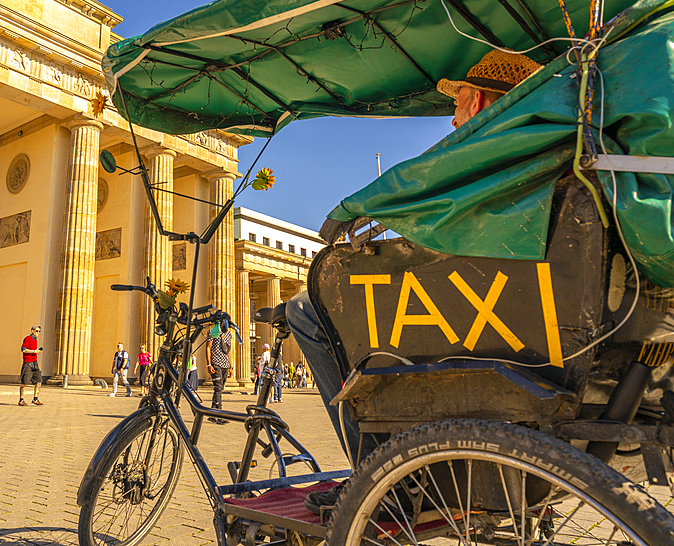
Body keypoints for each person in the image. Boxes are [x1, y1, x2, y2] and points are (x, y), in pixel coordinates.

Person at [293, 49, 541, 516]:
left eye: (459, 102)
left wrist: (352, 210)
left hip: (477, 310)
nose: (452, 120)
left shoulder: (486, 143)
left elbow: (416, 185)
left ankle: (377, 476)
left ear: (482, 101)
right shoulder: (543, 142)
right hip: (520, 303)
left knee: (306, 310)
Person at [206, 325, 233, 424]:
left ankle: (213, 415)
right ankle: (220, 415)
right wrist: (209, 364)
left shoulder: (229, 334)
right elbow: (208, 347)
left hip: (225, 365)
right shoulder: (213, 331)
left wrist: (231, 366)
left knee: (220, 389)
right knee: (218, 387)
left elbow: (229, 351)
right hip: (215, 363)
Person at [19, 326, 43, 406]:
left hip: (34, 362)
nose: (38, 333)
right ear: (32, 331)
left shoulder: (35, 340)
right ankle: (21, 400)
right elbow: (23, 349)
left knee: (38, 381)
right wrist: (34, 351)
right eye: (36, 331)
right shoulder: (27, 338)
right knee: (24, 382)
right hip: (28, 363)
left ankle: (35, 399)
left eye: (39, 331)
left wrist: (37, 351)